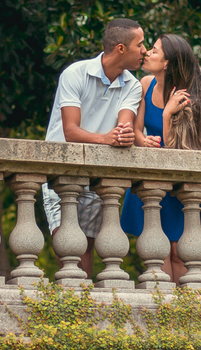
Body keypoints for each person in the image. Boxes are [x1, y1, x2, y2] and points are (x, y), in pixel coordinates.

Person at [41, 18, 146, 276]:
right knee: (67, 247)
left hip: (96, 175)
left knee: (86, 248)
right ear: (121, 48)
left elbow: (123, 127)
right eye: (140, 44)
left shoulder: (132, 85)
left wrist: (124, 136)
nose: (144, 51)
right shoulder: (75, 74)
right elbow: (70, 131)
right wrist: (107, 139)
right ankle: (73, 297)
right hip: (61, 173)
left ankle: (83, 300)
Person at [119, 33, 201, 282]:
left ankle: (185, 305)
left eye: (154, 50)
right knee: (158, 253)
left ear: (167, 63)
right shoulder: (145, 84)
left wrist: (166, 115)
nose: (147, 53)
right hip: (155, 181)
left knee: (180, 254)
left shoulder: (188, 97)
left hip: (182, 184)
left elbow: (179, 154)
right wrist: (143, 141)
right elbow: (137, 129)